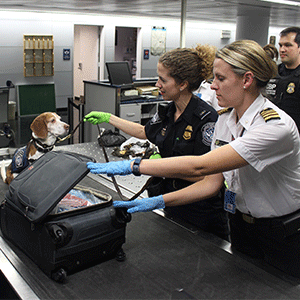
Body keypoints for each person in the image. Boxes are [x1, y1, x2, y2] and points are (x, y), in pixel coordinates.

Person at [87, 40, 300, 278]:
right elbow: (211, 183)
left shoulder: (274, 127)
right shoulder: (226, 120)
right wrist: (158, 202)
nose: (212, 85)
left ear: (247, 80)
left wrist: (134, 166)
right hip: (240, 225)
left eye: (220, 78)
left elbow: (200, 166)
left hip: (279, 233)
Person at [84, 45, 229, 240]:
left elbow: (204, 176)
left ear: (182, 84)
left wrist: (152, 166)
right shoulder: (168, 111)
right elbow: (145, 132)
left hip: (198, 212)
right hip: (170, 201)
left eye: (163, 79)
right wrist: (109, 118)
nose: (157, 84)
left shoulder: (206, 119)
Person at [265, 27, 300, 131]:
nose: (282, 49)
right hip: (271, 133)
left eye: (288, 45)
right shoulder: (272, 73)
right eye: (280, 45)